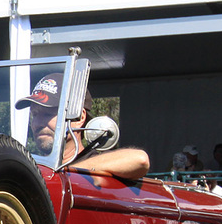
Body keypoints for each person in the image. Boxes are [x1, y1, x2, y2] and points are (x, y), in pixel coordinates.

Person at [17, 72, 149, 179]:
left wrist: (65, 174)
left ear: (79, 118)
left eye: (48, 114)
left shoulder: (101, 164)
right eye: (34, 114)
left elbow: (140, 160)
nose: (37, 123)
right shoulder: (33, 169)